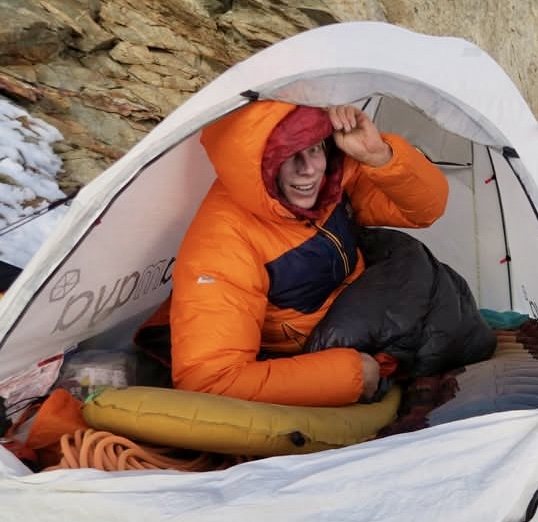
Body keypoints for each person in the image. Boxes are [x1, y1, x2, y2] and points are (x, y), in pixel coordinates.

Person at [168, 101, 449, 406]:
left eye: (315, 148)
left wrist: (379, 156)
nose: (309, 170)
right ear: (257, 164)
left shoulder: (334, 175)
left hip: (370, 303)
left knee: (438, 295)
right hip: (327, 346)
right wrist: (353, 374)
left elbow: (426, 210)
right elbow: (208, 380)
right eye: (288, 156)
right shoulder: (223, 242)